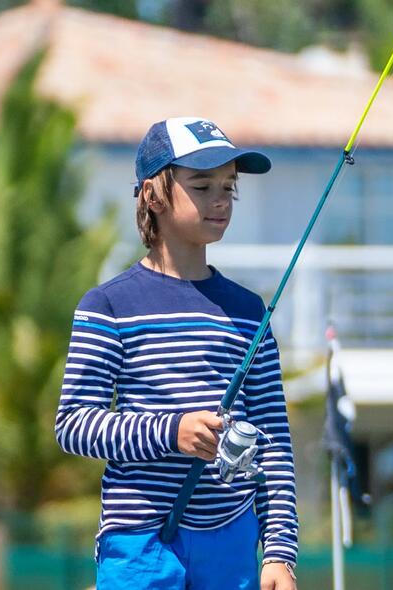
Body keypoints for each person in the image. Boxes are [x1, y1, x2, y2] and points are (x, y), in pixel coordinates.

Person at [54, 118, 299, 590]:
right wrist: (173, 431)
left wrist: (279, 555)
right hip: (138, 544)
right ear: (153, 195)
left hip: (231, 541)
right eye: (202, 185)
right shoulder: (107, 305)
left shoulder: (250, 312)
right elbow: (73, 425)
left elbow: (275, 444)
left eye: (230, 186)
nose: (221, 199)